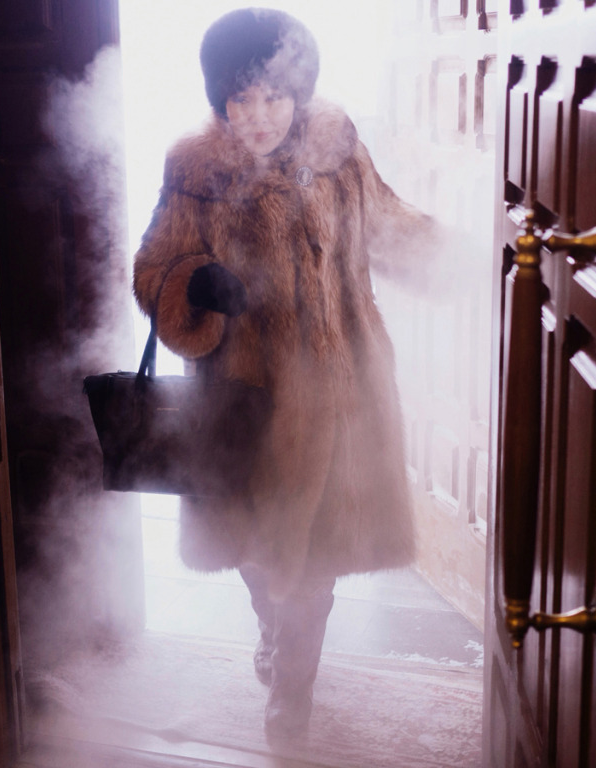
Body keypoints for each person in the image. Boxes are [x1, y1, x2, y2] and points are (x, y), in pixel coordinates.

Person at [132, 7, 448, 739]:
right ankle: (274, 634)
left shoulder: (338, 148)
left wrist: (478, 257)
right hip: (244, 397)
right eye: (241, 99)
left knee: (315, 560)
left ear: (299, 94)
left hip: (341, 393)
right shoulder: (194, 168)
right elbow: (155, 268)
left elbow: (390, 225)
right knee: (255, 549)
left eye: (274, 97)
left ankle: (292, 694)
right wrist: (197, 285)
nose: (259, 116)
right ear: (220, 100)